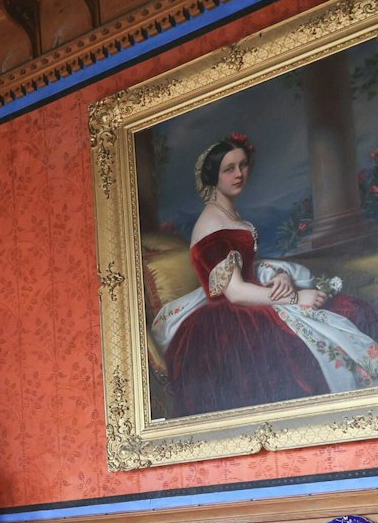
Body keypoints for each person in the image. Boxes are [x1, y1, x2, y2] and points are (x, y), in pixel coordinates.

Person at [150, 134, 378, 416]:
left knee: (353, 311)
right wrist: (295, 296)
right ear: (213, 176)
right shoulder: (211, 224)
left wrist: (280, 275)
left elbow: (248, 268)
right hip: (231, 318)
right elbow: (235, 292)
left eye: (243, 165)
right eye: (229, 169)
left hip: (253, 294)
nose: (239, 174)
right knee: (298, 361)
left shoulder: (232, 217)